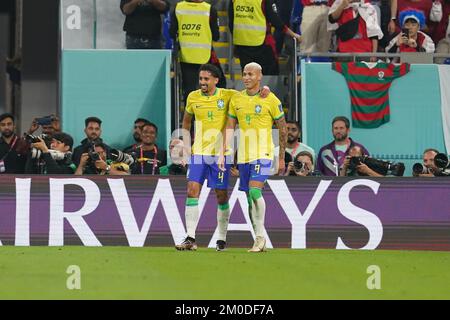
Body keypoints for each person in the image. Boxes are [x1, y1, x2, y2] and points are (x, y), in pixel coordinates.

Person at [174, 63, 271, 251]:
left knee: (220, 195)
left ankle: (221, 238)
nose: (202, 82)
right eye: (200, 79)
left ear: (215, 80)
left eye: (206, 79)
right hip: (199, 153)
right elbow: (186, 122)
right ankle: (190, 238)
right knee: (192, 190)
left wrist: (265, 88)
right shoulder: (193, 97)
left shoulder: (228, 95)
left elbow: (251, 92)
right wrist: (186, 146)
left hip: (220, 155)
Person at [223, 62, 288, 252]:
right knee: (249, 199)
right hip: (244, 156)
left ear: (260, 77)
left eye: (251, 74)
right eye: (244, 74)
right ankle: (258, 237)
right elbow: (230, 127)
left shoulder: (271, 99)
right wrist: (226, 151)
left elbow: (282, 128)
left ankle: (260, 238)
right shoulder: (236, 99)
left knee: (254, 192)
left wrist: (282, 157)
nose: (246, 78)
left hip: (264, 153)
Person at [169, 0, 226, 103]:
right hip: (205, 57)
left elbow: (172, 32)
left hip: (185, 57)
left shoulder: (178, 8)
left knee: (189, 90)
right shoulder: (209, 10)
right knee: (215, 85)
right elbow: (216, 36)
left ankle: (191, 118)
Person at [228, 0, 302, 75]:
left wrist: (236, 41)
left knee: (249, 75)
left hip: (242, 43)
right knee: (270, 73)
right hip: (261, 43)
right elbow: (275, 21)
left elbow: (231, 22)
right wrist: (293, 34)